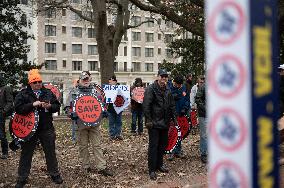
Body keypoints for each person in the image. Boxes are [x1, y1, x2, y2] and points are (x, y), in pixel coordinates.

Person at [14, 69, 63, 188]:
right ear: (30, 83)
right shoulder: (23, 94)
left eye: (39, 81)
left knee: (50, 152)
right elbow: (18, 109)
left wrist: (50, 106)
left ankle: (54, 173)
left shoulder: (48, 92)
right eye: (35, 82)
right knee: (26, 153)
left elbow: (57, 106)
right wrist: (32, 105)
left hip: (46, 127)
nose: (38, 84)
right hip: (29, 129)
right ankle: (22, 177)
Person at [66, 71, 113, 176]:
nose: (86, 81)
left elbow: (101, 104)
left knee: (97, 145)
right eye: (84, 79)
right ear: (80, 81)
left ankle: (101, 167)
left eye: (87, 79)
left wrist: (104, 111)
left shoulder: (95, 92)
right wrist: (70, 113)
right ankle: (86, 166)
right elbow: (67, 107)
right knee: (83, 146)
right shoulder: (74, 92)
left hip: (94, 124)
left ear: (90, 79)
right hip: (80, 125)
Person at [143, 69, 176, 180]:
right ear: (158, 77)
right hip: (154, 123)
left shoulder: (168, 90)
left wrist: (174, 120)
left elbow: (172, 106)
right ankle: (152, 169)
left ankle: (159, 164)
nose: (164, 79)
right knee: (153, 146)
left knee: (162, 145)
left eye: (165, 77)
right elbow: (146, 105)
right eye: (162, 76)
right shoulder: (150, 89)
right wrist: (148, 120)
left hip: (165, 123)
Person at [168, 75, 190, 161]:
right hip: (172, 114)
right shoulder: (169, 87)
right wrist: (173, 96)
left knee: (179, 133)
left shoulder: (183, 87)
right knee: (172, 133)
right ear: (174, 82)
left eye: (180, 85)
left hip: (181, 114)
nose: (179, 86)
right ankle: (171, 151)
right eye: (177, 85)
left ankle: (178, 150)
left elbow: (187, 99)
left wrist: (185, 108)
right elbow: (166, 98)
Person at [0, 73, 13, 159]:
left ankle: (5, 152)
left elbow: (10, 101)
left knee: (1, 133)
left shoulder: (6, 88)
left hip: (1, 113)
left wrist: (4, 111)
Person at [195, 75, 207, 164]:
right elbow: (197, 99)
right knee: (204, 135)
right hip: (204, 115)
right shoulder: (203, 87)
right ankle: (204, 153)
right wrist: (205, 108)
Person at [107, 75, 123, 140]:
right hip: (111, 108)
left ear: (115, 81)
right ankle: (112, 135)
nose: (109, 83)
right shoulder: (107, 89)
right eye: (109, 82)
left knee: (118, 122)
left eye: (110, 82)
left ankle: (118, 134)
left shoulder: (121, 88)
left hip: (119, 108)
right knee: (111, 122)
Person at [65, 79, 79, 144]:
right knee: (74, 126)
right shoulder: (72, 91)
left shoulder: (85, 91)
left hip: (83, 112)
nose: (78, 83)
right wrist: (68, 110)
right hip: (74, 111)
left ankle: (82, 139)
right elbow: (68, 101)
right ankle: (74, 139)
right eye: (77, 82)